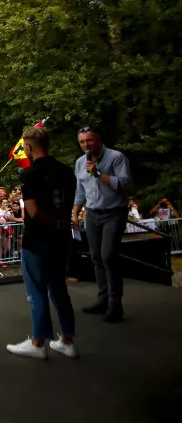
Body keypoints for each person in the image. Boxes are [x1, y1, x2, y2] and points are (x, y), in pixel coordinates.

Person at [6, 126, 78, 359]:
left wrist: (51, 223)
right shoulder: (67, 171)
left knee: (36, 290)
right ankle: (67, 339)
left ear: (28, 147)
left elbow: (33, 211)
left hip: (38, 239)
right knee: (59, 288)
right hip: (62, 237)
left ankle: (38, 342)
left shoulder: (30, 174)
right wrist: (60, 224)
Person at [72, 127, 132, 322]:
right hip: (92, 214)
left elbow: (124, 184)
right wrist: (75, 212)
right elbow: (80, 189)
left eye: (89, 141)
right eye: (82, 142)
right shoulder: (81, 163)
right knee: (96, 256)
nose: (86, 145)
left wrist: (98, 173)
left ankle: (116, 304)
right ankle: (102, 299)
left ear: (98, 139)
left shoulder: (116, 158)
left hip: (114, 212)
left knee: (108, 256)